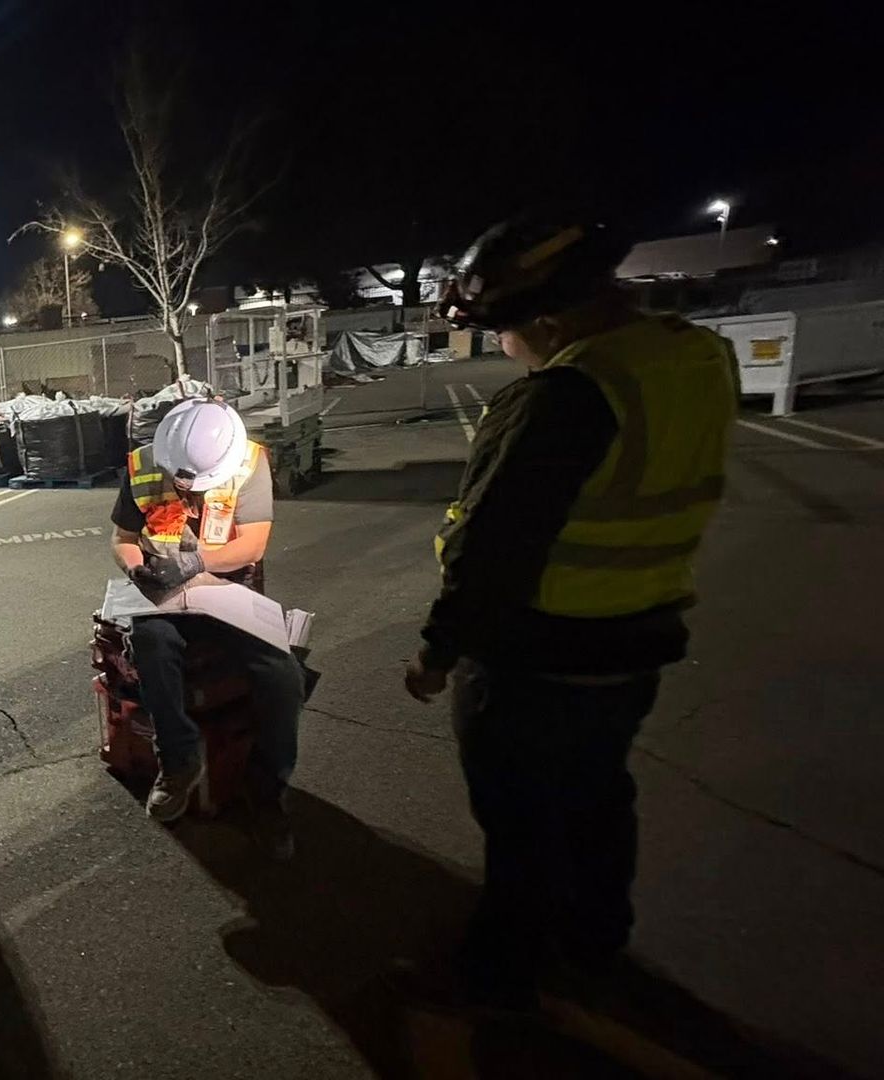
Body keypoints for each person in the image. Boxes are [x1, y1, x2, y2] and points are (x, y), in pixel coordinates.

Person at [401, 218, 738, 1008]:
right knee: (597, 794)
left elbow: (490, 549)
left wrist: (437, 654)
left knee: (518, 822)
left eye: (506, 333)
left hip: (535, 657)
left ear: (548, 319)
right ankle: (596, 935)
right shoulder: (698, 357)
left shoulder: (564, 397)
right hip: (639, 638)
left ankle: (503, 968)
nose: (506, 349)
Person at [112, 398, 306, 855]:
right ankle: (178, 762)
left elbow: (254, 544)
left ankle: (267, 789)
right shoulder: (142, 464)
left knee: (283, 677)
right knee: (151, 645)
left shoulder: (249, 460)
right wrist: (137, 569)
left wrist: (198, 561)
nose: (187, 488)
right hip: (165, 595)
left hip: (229, 594)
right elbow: (121, 539)